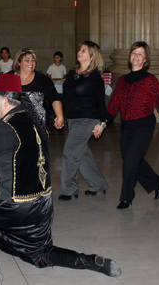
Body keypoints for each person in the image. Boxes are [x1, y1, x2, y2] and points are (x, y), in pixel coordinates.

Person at [0, 73, 121, 278]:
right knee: (41, 255)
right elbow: (7, 139)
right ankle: (91, 261)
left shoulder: (3, 130)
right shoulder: (32, 119)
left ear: (3, 100)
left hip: (16, 209)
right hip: (42, 206)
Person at [98, 41, 159, 209]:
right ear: (130, 57)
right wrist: (103, 123)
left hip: (144, 126)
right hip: (127, 127)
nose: (136, 56)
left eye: (140, 54)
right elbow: (113, 105)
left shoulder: (150, 80)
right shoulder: (122, 81)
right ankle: (155, 181)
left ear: (145, 59)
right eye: (134, 53)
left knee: (129, 163)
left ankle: (126, 197)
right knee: (132, 160)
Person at [59, 41, 109, 201]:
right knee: (82, 153)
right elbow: (65, 96)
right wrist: (61, 115)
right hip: (73, 119)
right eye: (80, 49)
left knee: (70, 152)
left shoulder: (94, 77)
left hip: (88, 119)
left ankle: (69, 189)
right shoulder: (73, 73)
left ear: (92, 56)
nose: (79, 52)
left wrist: (102, 123)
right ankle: (98, 184)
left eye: (84, 50)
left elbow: (101, 102)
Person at [10, 49, 64, 137]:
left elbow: (54, 98)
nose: (31, 63)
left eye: (33, 60)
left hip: (38, 126)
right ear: (19, 62)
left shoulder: (42, 79)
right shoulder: (9, 77)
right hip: (14, 125)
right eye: (27, 60)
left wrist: (60, 118)